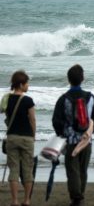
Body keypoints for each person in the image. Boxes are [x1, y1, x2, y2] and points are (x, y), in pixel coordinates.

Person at [52, 64, 94, 206]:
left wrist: (61, 135)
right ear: (82, 78)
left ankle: (76, 197)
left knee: (72, 170)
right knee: (83, 170)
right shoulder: (90, 98)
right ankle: (81, 194)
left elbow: (56, 121)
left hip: (71, 140)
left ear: (69, 79)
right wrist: (90, 132)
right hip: (86, 140)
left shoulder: (63, 99)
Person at [2, 70, 36, 206]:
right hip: (26, 138)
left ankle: (14, 201)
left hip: (12, 137)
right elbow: (32, 119)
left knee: (14, 169)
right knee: (27, 169)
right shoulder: (28, 100)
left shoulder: (6, 98)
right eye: (27, 83)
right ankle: (27, 200)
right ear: (21, 84)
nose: (28, 86)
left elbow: (2, 110)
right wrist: (33, 135)